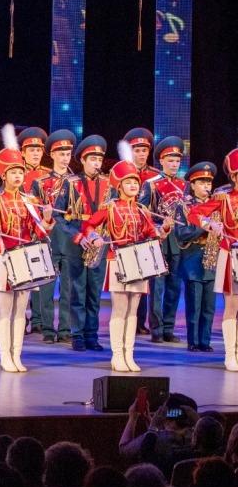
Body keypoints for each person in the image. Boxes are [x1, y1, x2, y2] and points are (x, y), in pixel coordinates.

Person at [79, 144, 172, 372]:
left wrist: (163, 230)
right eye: (128, 182)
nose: (133, 186)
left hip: (139, 262)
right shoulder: (110, 208)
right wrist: (94, 236)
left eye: (135, 183)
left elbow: (151, 233)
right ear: (119, 186)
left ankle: (129, 354)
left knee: (133, 312)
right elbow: (88, 224)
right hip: (118, 260)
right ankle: (117, 355)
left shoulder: (141, 210)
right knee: (120, 310)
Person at [0, 127, 55, 372]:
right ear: (4, 176)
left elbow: (39, 232)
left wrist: (47, 220)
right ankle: (4, 356)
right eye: (13, 172)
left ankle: (17, 355)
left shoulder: (31, 202)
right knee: (5, 311)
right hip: (4, 259)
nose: (18, 176)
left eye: (20, 172)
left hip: (26, 258)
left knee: (21, 311)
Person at [54, 134, 111, 352]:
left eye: (99, 159)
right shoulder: (70, 183)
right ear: (83, 160)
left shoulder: (109, 184)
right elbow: (59, 216)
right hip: (77, 241)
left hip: (99, 242)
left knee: (94, 293)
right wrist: (77, 235)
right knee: (77, 291)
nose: (97, 163)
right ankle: (77, 335)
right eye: (92, 159)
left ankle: (91, 335)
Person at [188, 148, 238, 368]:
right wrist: (209, 224)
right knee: (232, 306)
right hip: (232, 256)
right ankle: (230, 355)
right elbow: (194, 213)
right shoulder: (223, 198)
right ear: (234, 176)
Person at [139, 137, 187, 343]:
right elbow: (143, 213)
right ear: (161, 161)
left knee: (174, 287)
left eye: (177, 161)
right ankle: (156, 329)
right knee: (157, 288)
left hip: (177, 242)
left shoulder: (184, 185)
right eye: (170, 160)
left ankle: (169, 328)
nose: (174, 164)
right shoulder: (151, 185)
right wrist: (158, 228)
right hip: (158, 241)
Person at [31, 130, 76, 344]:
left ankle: (65, 329)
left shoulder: (77, 182)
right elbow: (34, 214)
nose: (65, 158)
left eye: (68, 154)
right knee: (47, 288)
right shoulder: (40, 183)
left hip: (70, 243)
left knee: (68, 289)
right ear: (52, 155)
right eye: (61, 154)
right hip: (48, 240)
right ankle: (48, 329)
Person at [178, 162, 222, 352]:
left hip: (213, 260)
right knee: (194, 305)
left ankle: (205, 341)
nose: (206, 187)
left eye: (208, 183)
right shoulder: (184, 206)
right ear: (193, 185)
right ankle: (193, 341)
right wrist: (204, 227)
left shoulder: (217, 205)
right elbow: (181, 233)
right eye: (202, 183)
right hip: (193, 259)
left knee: (209, 306)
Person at [124, 127, 157, 335]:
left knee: (145, 278)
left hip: (146, 230)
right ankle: (128, 320)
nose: (142, 154)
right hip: (126, 231)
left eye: (144, 150)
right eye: (137, 150)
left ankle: (141, 322)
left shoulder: (154, 176)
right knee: (128, 277)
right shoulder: (122, 173)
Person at [18, 127, 51, 333]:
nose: (36, 153)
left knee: (40, 275)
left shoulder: (48, 174)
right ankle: (20, 319)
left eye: (39, 150)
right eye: (31, 150)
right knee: (21, 278)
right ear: (23, 152)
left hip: (42, 230)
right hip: (22, 231)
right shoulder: (15, 173)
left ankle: (38, 320)